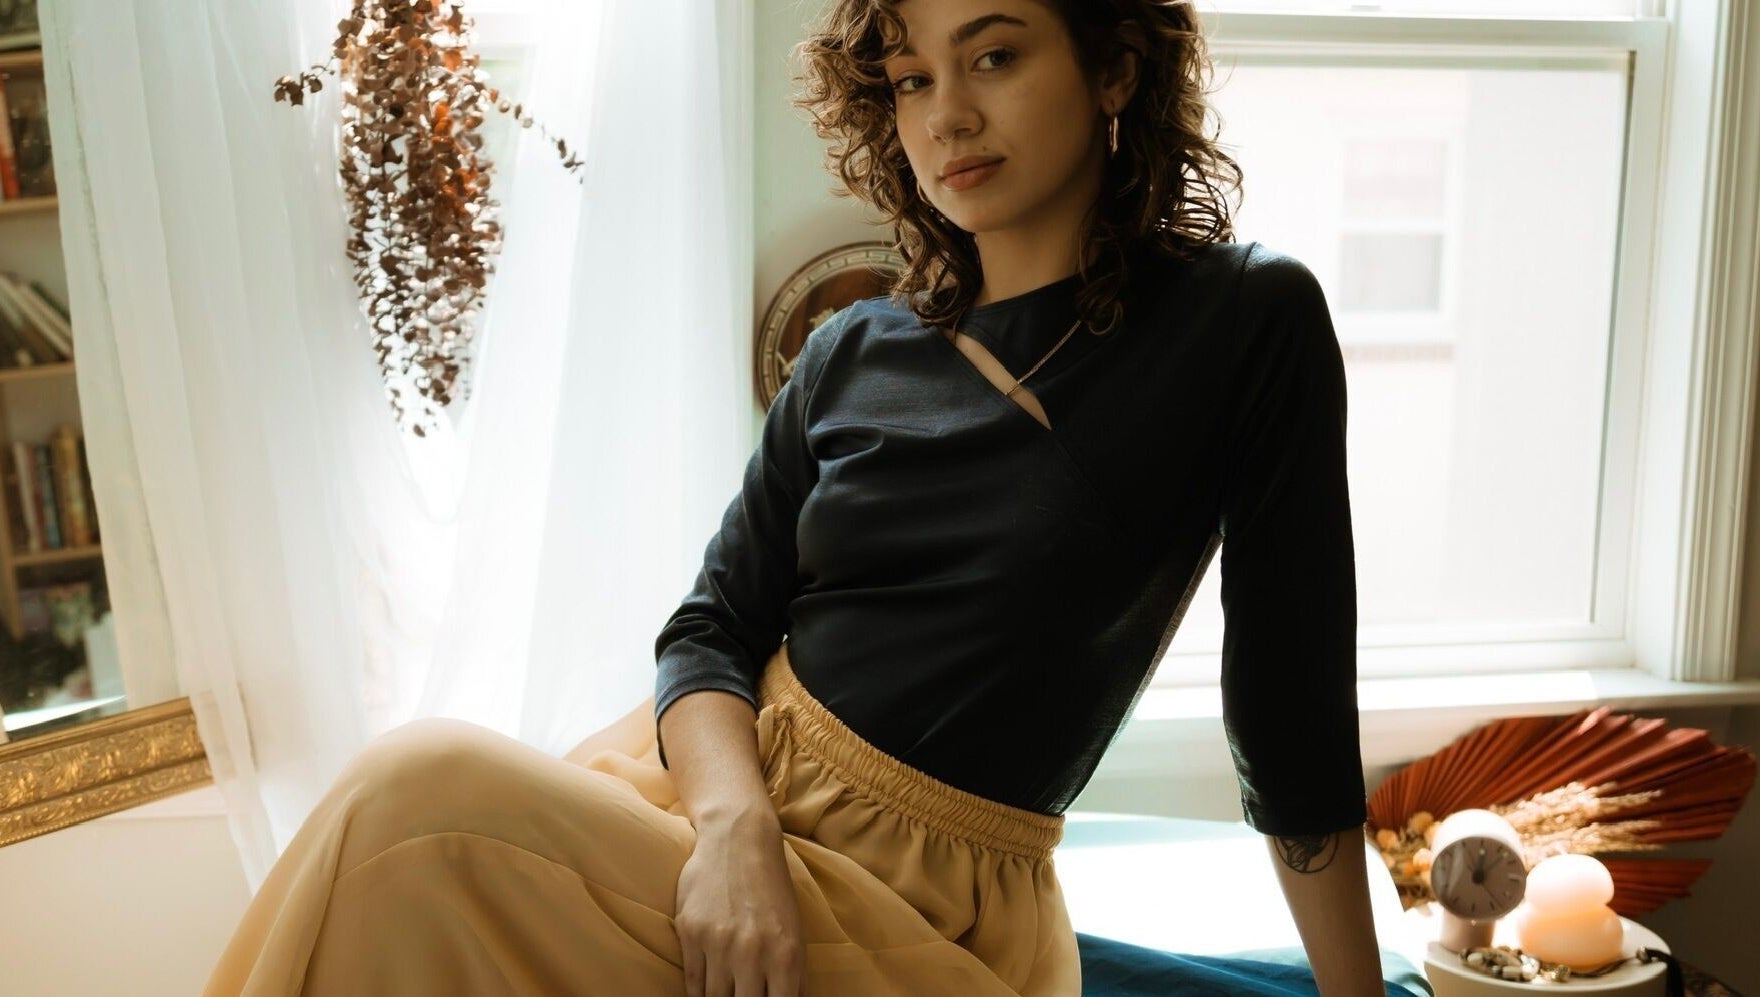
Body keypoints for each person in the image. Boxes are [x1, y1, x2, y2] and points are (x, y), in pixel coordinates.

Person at [203, 0, 1386, 995]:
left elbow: (1290, 725)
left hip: (917, 900)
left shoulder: (1244, 321)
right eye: (910, 79)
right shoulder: (852, 351)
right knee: (401, 845)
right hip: (708, 802)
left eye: (992, 56)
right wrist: (732, 828)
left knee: (410, 804)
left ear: (1114, 66)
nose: (946, 115)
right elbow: (709, 628)